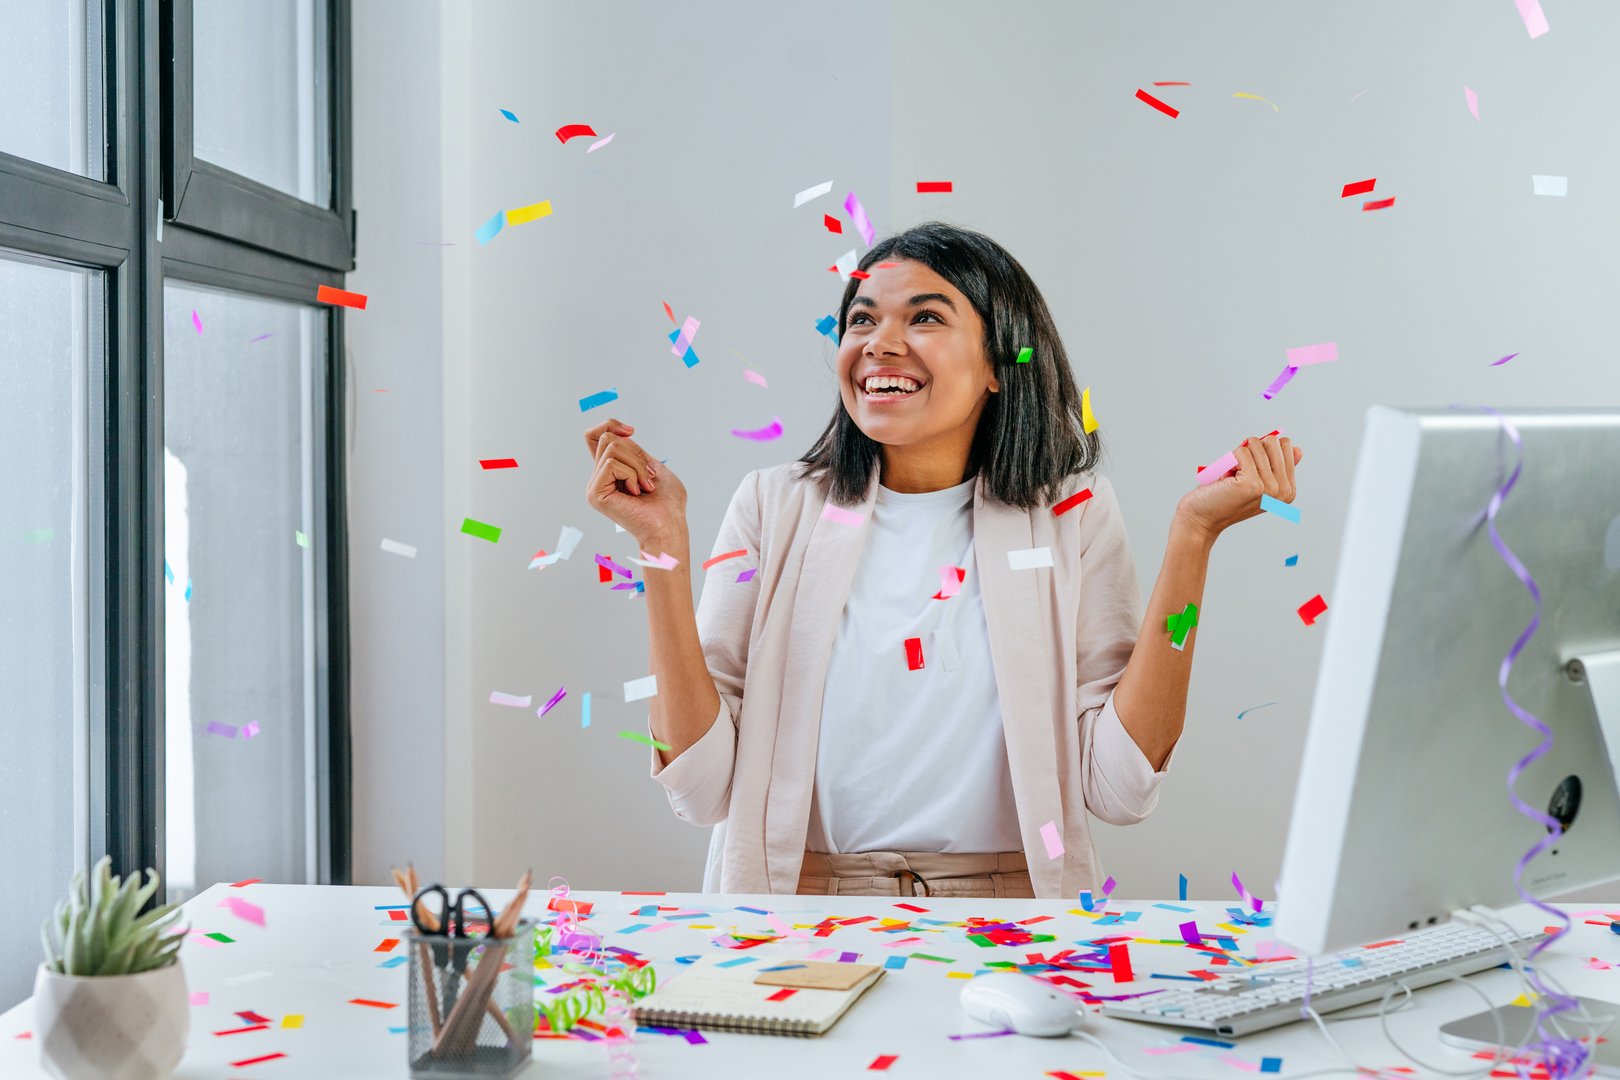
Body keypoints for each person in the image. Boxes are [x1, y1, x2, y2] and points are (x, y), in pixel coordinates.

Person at [582, 221, 1302, 899]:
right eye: (862, 319)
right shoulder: (773, 506)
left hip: (1014, 911)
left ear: (999, 363)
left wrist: (1192, 540)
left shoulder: (1072, 513)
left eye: (924, 318)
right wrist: (660, 548)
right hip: (799, 908)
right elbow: (699, 788)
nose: (880, 343)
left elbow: (1119, 787)